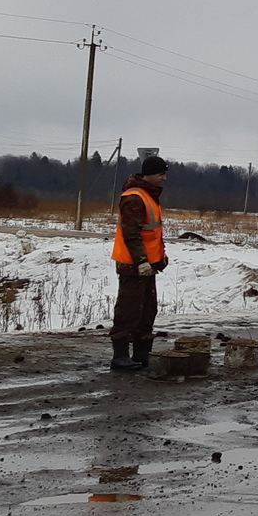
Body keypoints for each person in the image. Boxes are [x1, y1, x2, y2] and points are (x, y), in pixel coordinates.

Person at [110, 155, 170, 373]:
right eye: (161, 174)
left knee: (147, 310)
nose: (164, 178)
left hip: (148, 266)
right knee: (129, 310)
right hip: (133, 266)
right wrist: (142, 261)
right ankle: (120, 357)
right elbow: (132, 234)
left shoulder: (148, 196)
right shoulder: (135, 198)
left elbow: (151, 234)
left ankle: (142, 355)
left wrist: (158, 259)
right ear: (150, 174)